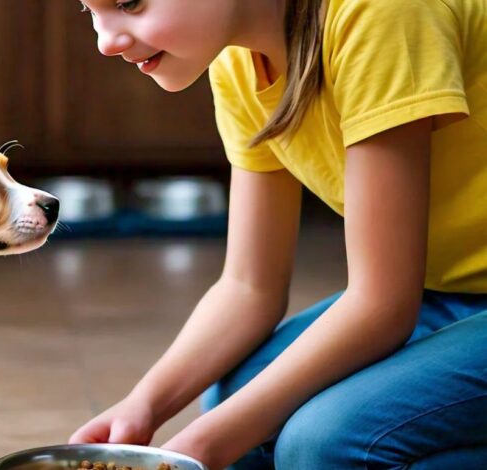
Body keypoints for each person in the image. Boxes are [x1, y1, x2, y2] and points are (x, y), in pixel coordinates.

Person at [68, 0, 487, 468]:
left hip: (426, 298)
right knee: (239, 396)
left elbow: (383, 306)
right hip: (449, 292)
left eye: (129, 3)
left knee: (322, 444)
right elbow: (249, 288)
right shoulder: (235, 63)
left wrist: (202, 446)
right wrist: (143, 406)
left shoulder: (384, 13)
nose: (106, 42)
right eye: (90, 11)